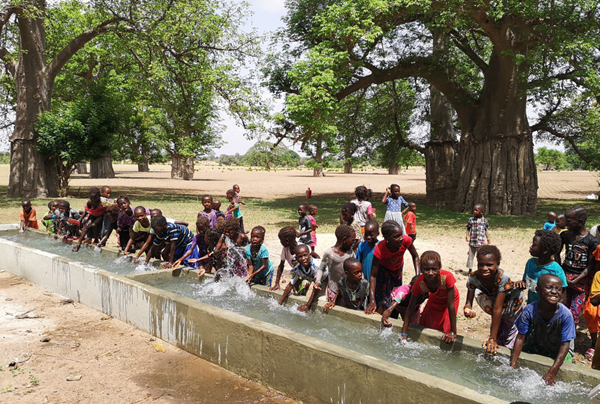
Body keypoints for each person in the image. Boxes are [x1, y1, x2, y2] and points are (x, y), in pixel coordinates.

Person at [511, 274, 575, 386]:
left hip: (560, 349)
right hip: (537, 343)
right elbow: (520, 337)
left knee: (563, 379)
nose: (554, 292)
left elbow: (565, 345)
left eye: (558, 289)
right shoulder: (529, 310)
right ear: (538, 290)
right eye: (549, 287)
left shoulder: (565, 315)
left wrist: (552, 372)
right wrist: (512, 365)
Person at [463, 245, 525, 354]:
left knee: (509, 338)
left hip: (513, 307)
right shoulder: (473, 278)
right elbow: (468, 302)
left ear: (497, 264)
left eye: (489, 265)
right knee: (499, 335)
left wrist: (492, 338)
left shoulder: (502, 278)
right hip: (495, 303)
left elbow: (498, 309)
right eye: (481, 264)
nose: (484, 268)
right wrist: (467, 309)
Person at [399, 251, 459, 344]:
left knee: (446, 330)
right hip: (435, 297)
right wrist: (403, 333)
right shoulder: (419, 283)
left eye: (434, 269)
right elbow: (410, 309)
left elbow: (451, 307)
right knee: (425, 323)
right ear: (421, 269)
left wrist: (453, 332)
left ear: (439, 268)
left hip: (450, 299)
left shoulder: (447, 278)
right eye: (426, 269)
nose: (431, 273)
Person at [365, 220, 420, 314]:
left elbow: (415, 256)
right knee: (384, 301)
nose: (401, 238)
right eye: (396, 236)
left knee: (395, 297)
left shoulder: (406, 241)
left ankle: (393, 319)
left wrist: (418, 276)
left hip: (397, 271)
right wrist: (372, 300)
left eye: (401, 234)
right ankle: (379, 318)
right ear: (386, 238)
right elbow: (373, 275)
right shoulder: (380, 249)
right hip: (383, 272)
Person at [556, 206, 598, 326]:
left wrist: (575, 280)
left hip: (581, 282)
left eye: (569, 221)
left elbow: (590, 266)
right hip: (564, 277)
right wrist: (562, 273)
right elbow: (557, 254)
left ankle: (569, 339)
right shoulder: (565, 236)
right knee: (561, 307)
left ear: (579, 223)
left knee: (574, 312)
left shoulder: (592, 241)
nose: (566, 223)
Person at [514, 230, 566, 304]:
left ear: (545, 250)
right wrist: (521, 283)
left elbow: (562, 297)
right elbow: (526, 283)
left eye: (534, 245)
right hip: (532, 307)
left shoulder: (556, 270)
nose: (530, 247)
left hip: (548, 311)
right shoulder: (530, 263)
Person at [315, 225, 356, 302]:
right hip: (333, 290)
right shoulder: (329, 253)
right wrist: (318, 281)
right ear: (345, 240)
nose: (353, 243)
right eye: (352, 241)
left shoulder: (350, 253)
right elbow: (321, 268)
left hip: (348, 290)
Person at [278, 244, 321, 311]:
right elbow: (290, 285)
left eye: (305, 255)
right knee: (303, 285)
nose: (303, 258)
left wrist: (307, 305)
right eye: (300, 257)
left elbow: (316, 287)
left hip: (324, 280)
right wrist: (280, 303)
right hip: (310, 277)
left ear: (310, 255)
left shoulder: (316, 266)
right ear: (296, 259)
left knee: (319, 301)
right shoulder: (297, 268)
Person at [73, 187, 106, 252]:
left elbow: (112, 206)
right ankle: (79, 243)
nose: (94, 200)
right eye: (92, 198)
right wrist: (80, 219)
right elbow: (86, 211)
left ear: (99, 196)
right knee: (87, 225)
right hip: (93, 215)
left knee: (93, 225)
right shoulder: (90, 202)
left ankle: (96, 239)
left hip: (101, 215)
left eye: (95, 198)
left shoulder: (104, 201)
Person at [270, 226, 298, 291]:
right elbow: (281, 265)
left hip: (308, 273)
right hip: (298, 273)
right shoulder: (285, 249)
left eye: (281, 240)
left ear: (287, 241)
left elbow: (314, 255)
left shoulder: (301, 248)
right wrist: (277, 283)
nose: (280, 242)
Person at [465, 203, 490, 275]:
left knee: (481, 256)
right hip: (472, 241)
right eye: (474, 210)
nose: (474, 212)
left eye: (476, 210)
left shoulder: (485, 220)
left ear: (481, 211)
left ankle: (480, 269)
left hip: (481, 242)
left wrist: (488, 238)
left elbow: (485, 230)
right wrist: (467, 235)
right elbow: (468, 228)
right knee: (471, 256)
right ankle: (470, 269)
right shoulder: (471, 220)